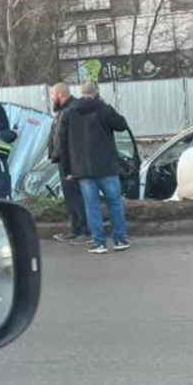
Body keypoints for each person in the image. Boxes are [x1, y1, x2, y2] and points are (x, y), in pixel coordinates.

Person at [59, 80, 131, 254]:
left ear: (81, 92)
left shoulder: (69, 113)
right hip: (107, 166)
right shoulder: (104, 109)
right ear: (97, 92)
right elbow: (122, 125)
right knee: (114, 203)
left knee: (92, 206)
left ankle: (99, 243)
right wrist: (106, 105)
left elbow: (63, 142)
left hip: (82, 169)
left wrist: (68, 169)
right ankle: (120, 240)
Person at [47, 83, 91, 244]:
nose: (51, 98)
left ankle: (84, 231)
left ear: (59, 94)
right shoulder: (64, 110)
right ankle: (76, 229)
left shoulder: (72, 110)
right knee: (71, 198)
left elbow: (71, 140)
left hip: (72, 163)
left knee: (77, 197)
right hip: (65, 161)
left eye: (52, 95)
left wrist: (70, 166)